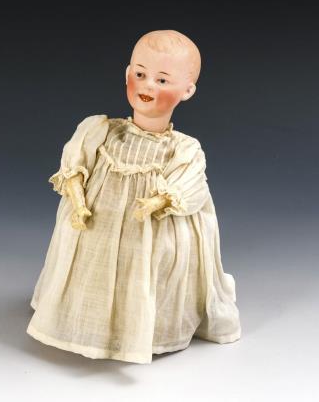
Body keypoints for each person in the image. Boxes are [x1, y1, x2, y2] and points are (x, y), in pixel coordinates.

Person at [26, 29, 241, 364]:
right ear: (127, 73)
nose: (148, 85)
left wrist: (158, 201)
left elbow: (189, 185)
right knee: (90, 257)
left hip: (149, 226)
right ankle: (87, 318)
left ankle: (145, 326)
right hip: (97, 218)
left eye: (162, 79)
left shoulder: (183, 149)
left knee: (148, 262)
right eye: (140, 74)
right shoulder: (101, 130)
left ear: (187, 90)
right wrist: (78, 202)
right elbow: (75, 167)